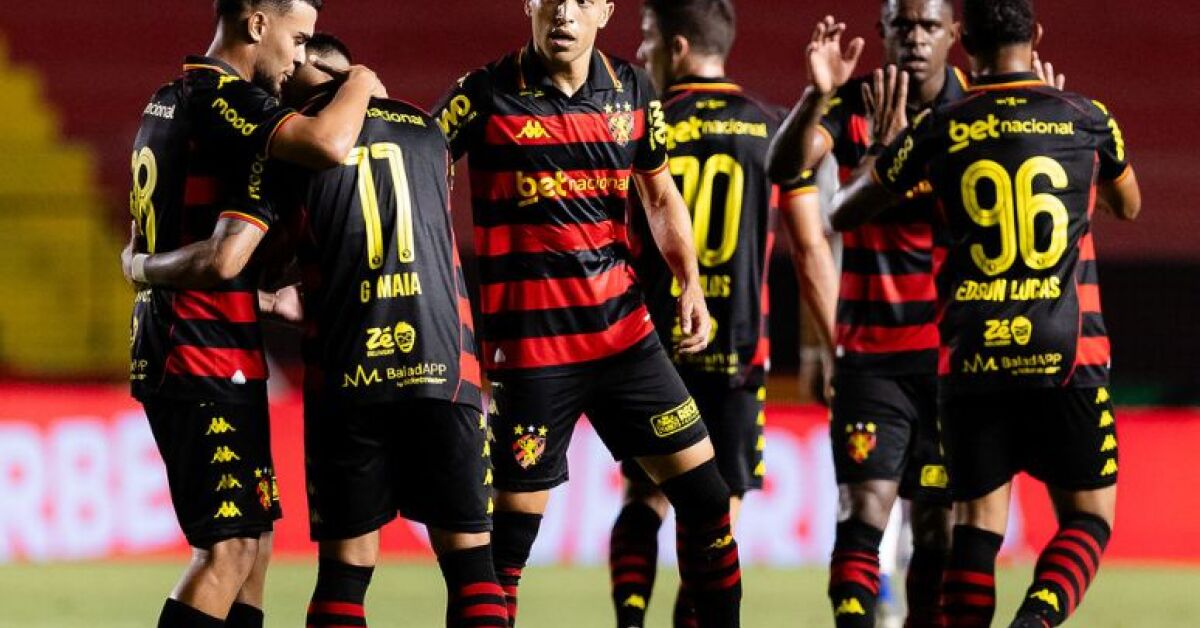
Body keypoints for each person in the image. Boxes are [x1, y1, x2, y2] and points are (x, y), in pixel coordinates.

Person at [829, 0, 1141, 626]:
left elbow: (842, 212)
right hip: (1067, 352)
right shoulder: (1086, 116)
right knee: (1087, 518)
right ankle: (1036, 620)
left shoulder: (940, 127)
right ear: (1037, 36)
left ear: (963, 40)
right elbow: (1126, 205)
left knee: (974, 525)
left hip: (971, 355)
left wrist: (882, 156)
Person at [434, 1, 742, 626]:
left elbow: (660, 194)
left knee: (709, 501)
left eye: (581, 0)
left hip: (625, 339)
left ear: (605, 9)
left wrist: (689, 281)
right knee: (506, 551)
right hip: (533, 355)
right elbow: (418, 163)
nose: (564, 13)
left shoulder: (634, 89)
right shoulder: (484, 93)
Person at [121, 1, 380, 625]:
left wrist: (259, 297)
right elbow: (326, 144)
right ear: (258, 25)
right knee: (229, 549)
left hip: (208, 345)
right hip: (197, 356)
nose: (300, 57)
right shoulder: (225, 99)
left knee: (255, 545)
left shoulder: (170, 99)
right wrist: (361, 80)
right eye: (299, 38)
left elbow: (203, 243)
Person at [608, 1, 838, 626]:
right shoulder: (772, 130)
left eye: (649, 38)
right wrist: (832, 346)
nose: (642, 51)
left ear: (678, 48)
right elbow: (809, 246)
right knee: (713, 523)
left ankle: (629, 620)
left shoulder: (642, 126)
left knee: (643, 493)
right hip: (734, 356)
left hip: (653, 349)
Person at [267, 36, 507, 627]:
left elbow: (271, 252)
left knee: (344, 571)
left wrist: (288, 289)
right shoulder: (426, 129)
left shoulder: (296, 139)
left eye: (284, 68)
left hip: (349, 370)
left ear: (309, 66)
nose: (273, 80)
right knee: (472, 563)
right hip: (444, 366)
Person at [766, 2, 965, 625]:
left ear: (953, 34)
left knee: (936, 530)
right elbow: (783, 166)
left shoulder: (971, 115)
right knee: (862, 514)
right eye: (902, 26)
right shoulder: (854, 104)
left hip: (948, 360)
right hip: (869, 359)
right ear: (882, 33)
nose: (915, 39)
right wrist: (815, 96)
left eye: (929, 26)